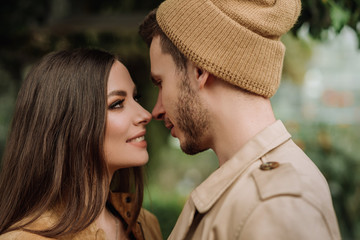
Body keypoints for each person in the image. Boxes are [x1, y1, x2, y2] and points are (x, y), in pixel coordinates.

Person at [139, 0, 341, 239]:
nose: (156, 110)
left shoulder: (274, 206)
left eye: (161, 83)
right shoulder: (256, 194)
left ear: (200, 71)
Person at [0, 48, 162, 240]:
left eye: (136, 98)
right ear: (69, 124)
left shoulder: (146, 224)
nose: (145, 114)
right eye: (117, 104)